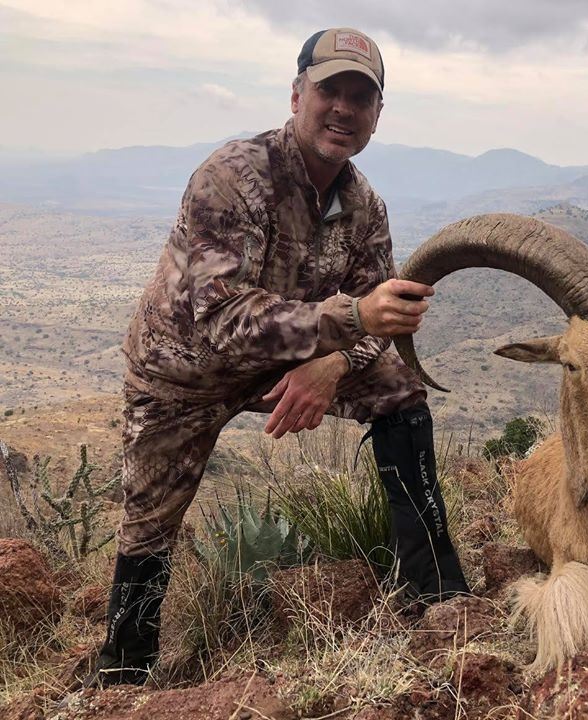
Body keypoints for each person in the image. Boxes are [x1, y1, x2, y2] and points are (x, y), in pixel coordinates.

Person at [87, 27, 469, 687]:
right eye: (329, 91)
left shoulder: (365, 207)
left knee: (400, 391)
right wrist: (350, 320)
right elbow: (224, 322)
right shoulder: (233, 176)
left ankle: (435, 594)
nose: (343, 108)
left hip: (288, 356)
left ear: (378, 116)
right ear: (297, 96)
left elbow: (381, 320)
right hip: (183, 373)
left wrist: (334, 364)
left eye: (361, 97)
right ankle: (125, 673)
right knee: (149, 525)